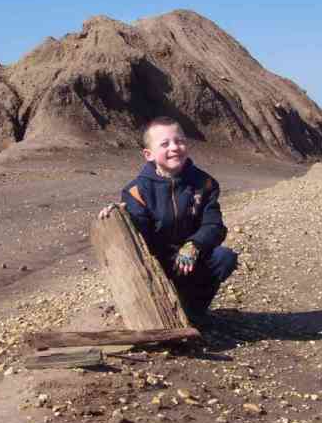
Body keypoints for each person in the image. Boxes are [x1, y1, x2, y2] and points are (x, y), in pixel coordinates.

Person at [99, 116, 238, 322]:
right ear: (149, 154)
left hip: (192, 260)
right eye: (165, 144)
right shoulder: (136, 191)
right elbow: (140, 233)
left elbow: (214, 226)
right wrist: (120, 217)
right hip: (159, 265)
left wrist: (194, 245)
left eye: (180, 141)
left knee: (224, 257)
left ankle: (194, 312)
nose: (175, 147)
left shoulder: (206, 184)